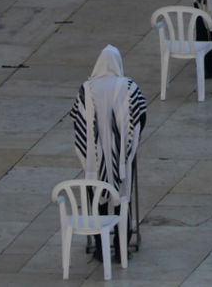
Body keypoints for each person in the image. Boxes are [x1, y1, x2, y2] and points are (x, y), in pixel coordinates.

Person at [70, 45, 147, 262]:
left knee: (96, 198)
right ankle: (121, 248)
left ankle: (100, 249)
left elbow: (77, 120)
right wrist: (128, 144)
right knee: (123, 197)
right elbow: (141, 115)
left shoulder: (86, 89)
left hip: (94, 157)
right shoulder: (129, 87)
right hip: (122, 155)